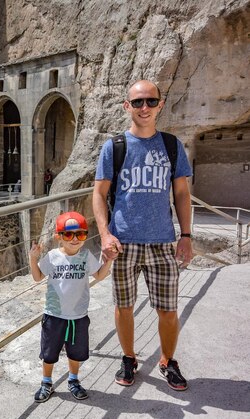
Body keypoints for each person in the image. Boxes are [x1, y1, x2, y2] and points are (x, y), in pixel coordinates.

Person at [92, 80, 193, 391]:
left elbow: (182, 194)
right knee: (123, 306)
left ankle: (167, 360)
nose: (144, 107)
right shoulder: (115, 147)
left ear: (160, 105)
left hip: (162, 241)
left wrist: (186, 235)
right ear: (127, 106)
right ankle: (129, 357)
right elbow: (99, 193)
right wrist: (105, 234)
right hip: (123, 243)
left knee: (168, 308)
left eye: (150, 101)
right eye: (137, 102)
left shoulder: (173, 146)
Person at [29, 211, 112, 402]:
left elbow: (99, 275)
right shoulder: (52, 256)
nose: (74, 239)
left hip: (78, 316)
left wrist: (109, 261)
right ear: (59, 237)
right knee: (49, 353)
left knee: (76, 352)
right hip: (54, 315)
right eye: (68, 235)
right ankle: (46, 382)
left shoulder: (86, 256)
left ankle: (73, 380)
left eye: (80, 234)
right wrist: (33, 258)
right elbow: (37, 277)